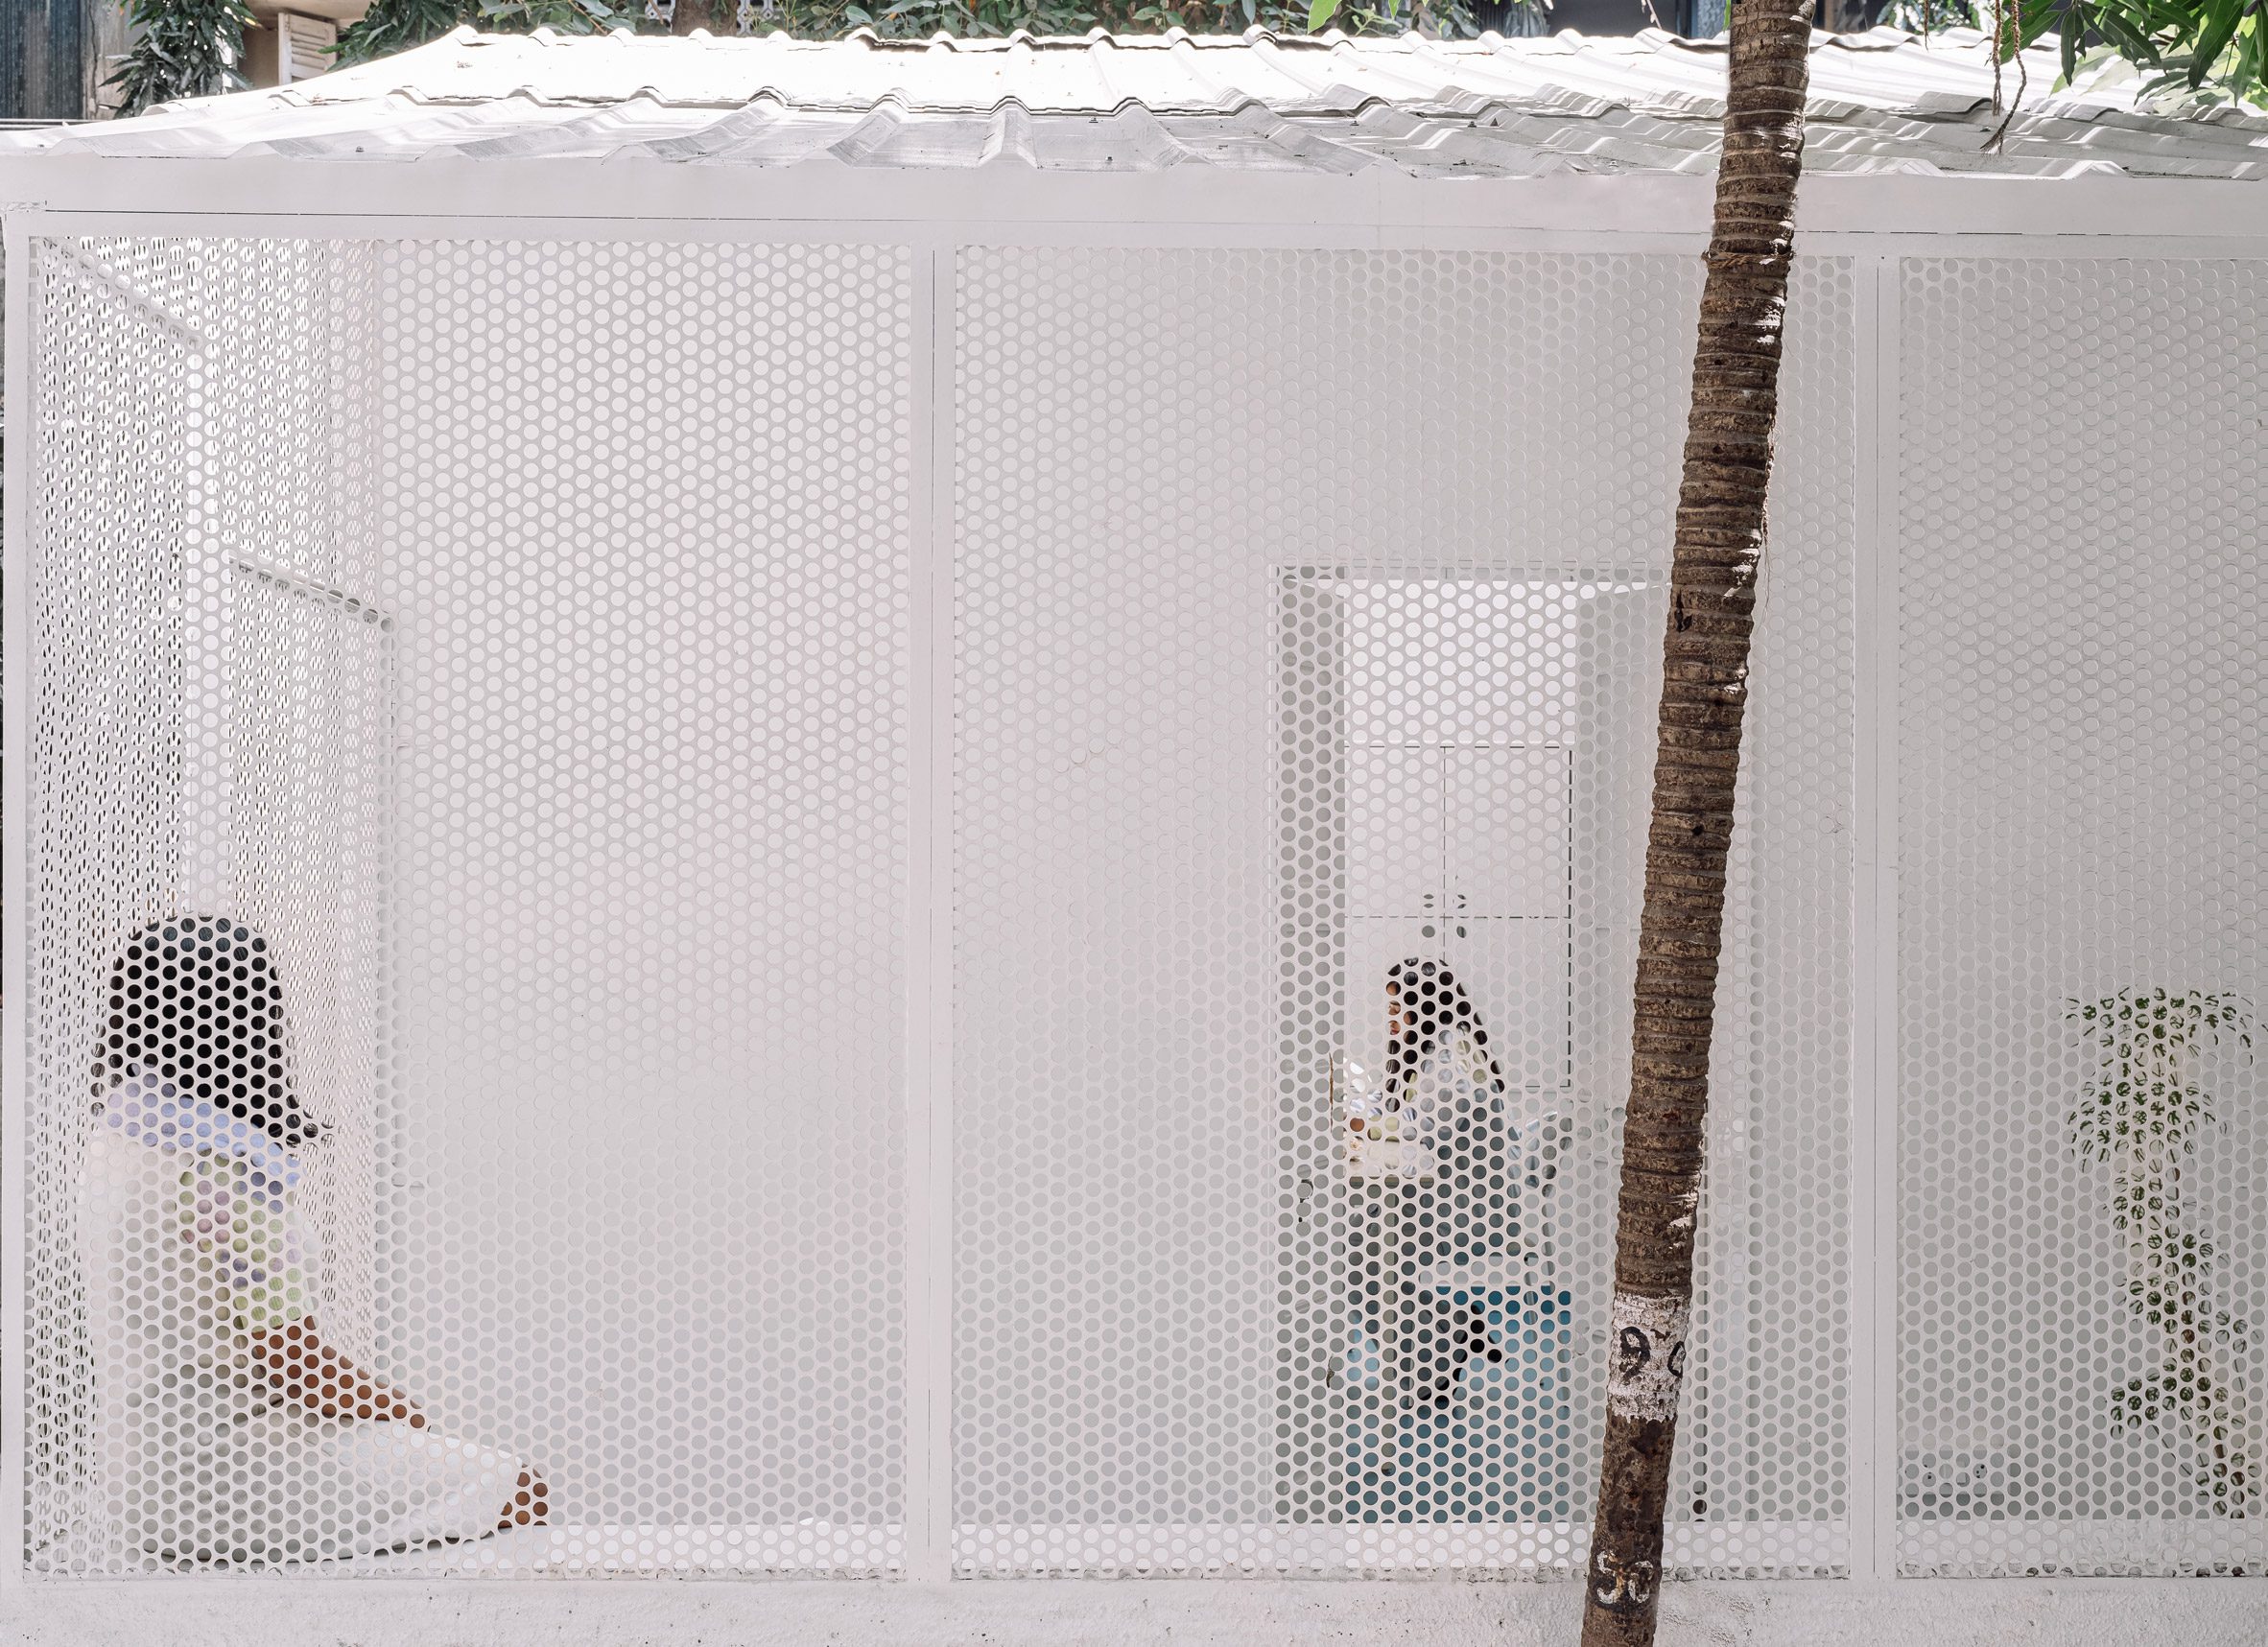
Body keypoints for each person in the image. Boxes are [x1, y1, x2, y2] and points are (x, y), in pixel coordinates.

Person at [82, 915, 545, 1566]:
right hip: (222, 1474)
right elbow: (294, 1363)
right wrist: (400, 1412)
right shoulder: (222, 1170)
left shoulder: (115, 1144)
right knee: (516, 1486)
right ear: (252, 1023)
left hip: (136, 1476)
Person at [1342, 958, 1512, 1410]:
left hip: (1467, 1206)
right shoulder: (1430, 1051)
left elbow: (1421, 1129)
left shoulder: (1450, 1059)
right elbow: (1398, 1106)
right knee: (1363, 1246)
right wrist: (1364, 1109)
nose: (1393, 1020)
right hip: (1439, 1194)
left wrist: (1367, 1125)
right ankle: (1450, 1330)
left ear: (1426, 1007)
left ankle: (1434, 1353)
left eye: (1400, 1010)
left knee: (1353, 1254)